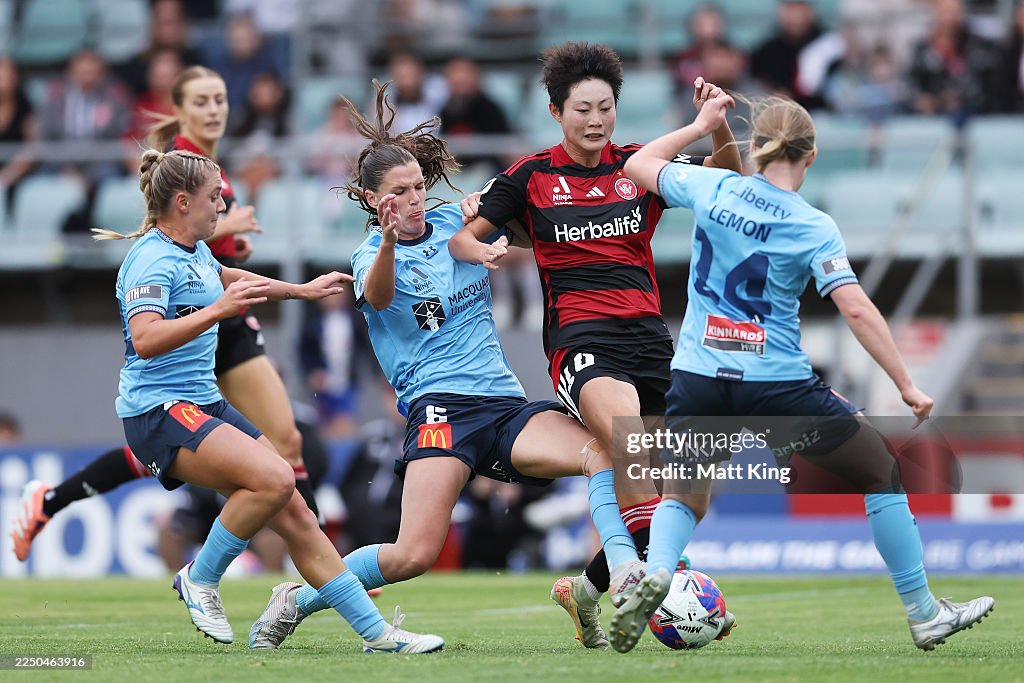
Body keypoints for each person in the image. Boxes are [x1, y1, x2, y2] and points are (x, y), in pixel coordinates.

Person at [246, 80, 641, 650]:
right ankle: (297, 599)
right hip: (440, 410)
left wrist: (493, 217)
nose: (410, 199)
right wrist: (385, 243)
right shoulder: (369, 255)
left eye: (416, 187)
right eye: (397, 192)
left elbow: (540, 231)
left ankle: (611, 578)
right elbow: (378, 298)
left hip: (503, 404)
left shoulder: (458, 226)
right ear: (371, 197)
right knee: (412, 555)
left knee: (603, 453)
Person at [607, 91, 996, 652]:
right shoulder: (813, 225)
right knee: (878, 471)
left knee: (682, 496)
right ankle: (924, 612)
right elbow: (856, 308)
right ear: (810, 157)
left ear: (754, 148)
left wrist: (700, 125)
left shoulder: (711, 187)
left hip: (697, 374)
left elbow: (637, 165)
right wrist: (906, 384)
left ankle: (660, 573)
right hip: (777, 387)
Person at [448, 41, 741, 648]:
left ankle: (586, 589)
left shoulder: (639, 167)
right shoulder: (530, 176)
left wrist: (716, 130)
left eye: (605, 107)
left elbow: (729, 184)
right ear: (557, 111)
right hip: (580, 341)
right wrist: (485, 247)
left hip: (649, 338)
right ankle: (662, 583)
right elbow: (460, 239)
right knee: (628, 440)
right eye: (582, 109)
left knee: (683, 489)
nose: (595, 120)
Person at [92, 147, 442, 653]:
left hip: (199, 403)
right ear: (184, 202)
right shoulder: (150, 257)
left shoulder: (193, 252)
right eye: (216, 198)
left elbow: (233, 280)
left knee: (296, 510)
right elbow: (145, 339)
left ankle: (378, 635)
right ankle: (200, 577)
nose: (222, 208)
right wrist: (216, 311)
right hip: (157, 410)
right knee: (275, 477)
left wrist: (299, 292)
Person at [9, 66, 317, 563]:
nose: (214, 109)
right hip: (203, 314)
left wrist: (293, 286)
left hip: (226, 312)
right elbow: (173, 240)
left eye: (219, 99)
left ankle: (51, 501)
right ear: (178, 110)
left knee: (279, 443)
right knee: (216, 445)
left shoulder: (214, 169)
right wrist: (227, 228)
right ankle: (288, 561)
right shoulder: (184, 171)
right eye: (201, 101)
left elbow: (213, 258)